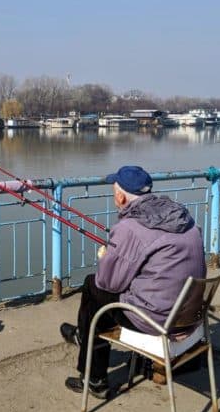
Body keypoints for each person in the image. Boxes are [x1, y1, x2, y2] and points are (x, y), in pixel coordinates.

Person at [60, 165, 207, 398]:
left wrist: (106, 257)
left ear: (120, 197)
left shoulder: (130, 228)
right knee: (102, 298)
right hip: (191, 315)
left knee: (92, 287)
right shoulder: (182, 215)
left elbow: (108, 283)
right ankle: (84, 334)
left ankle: (94, 378)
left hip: (157, 320)